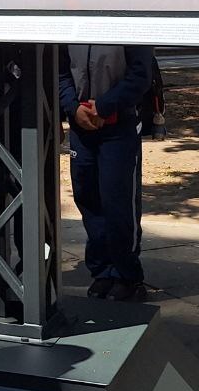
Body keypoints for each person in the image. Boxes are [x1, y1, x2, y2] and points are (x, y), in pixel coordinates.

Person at [59, 45, 155, 302]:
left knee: (118, 201)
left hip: (119, 128)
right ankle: (102, 272)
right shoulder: (72, 23)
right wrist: (72, 107)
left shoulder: (130, 23)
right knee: (88, 199)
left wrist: (104, 106)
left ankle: (128, 276)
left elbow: (141, 75)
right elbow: (60, 72)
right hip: (82, 128)